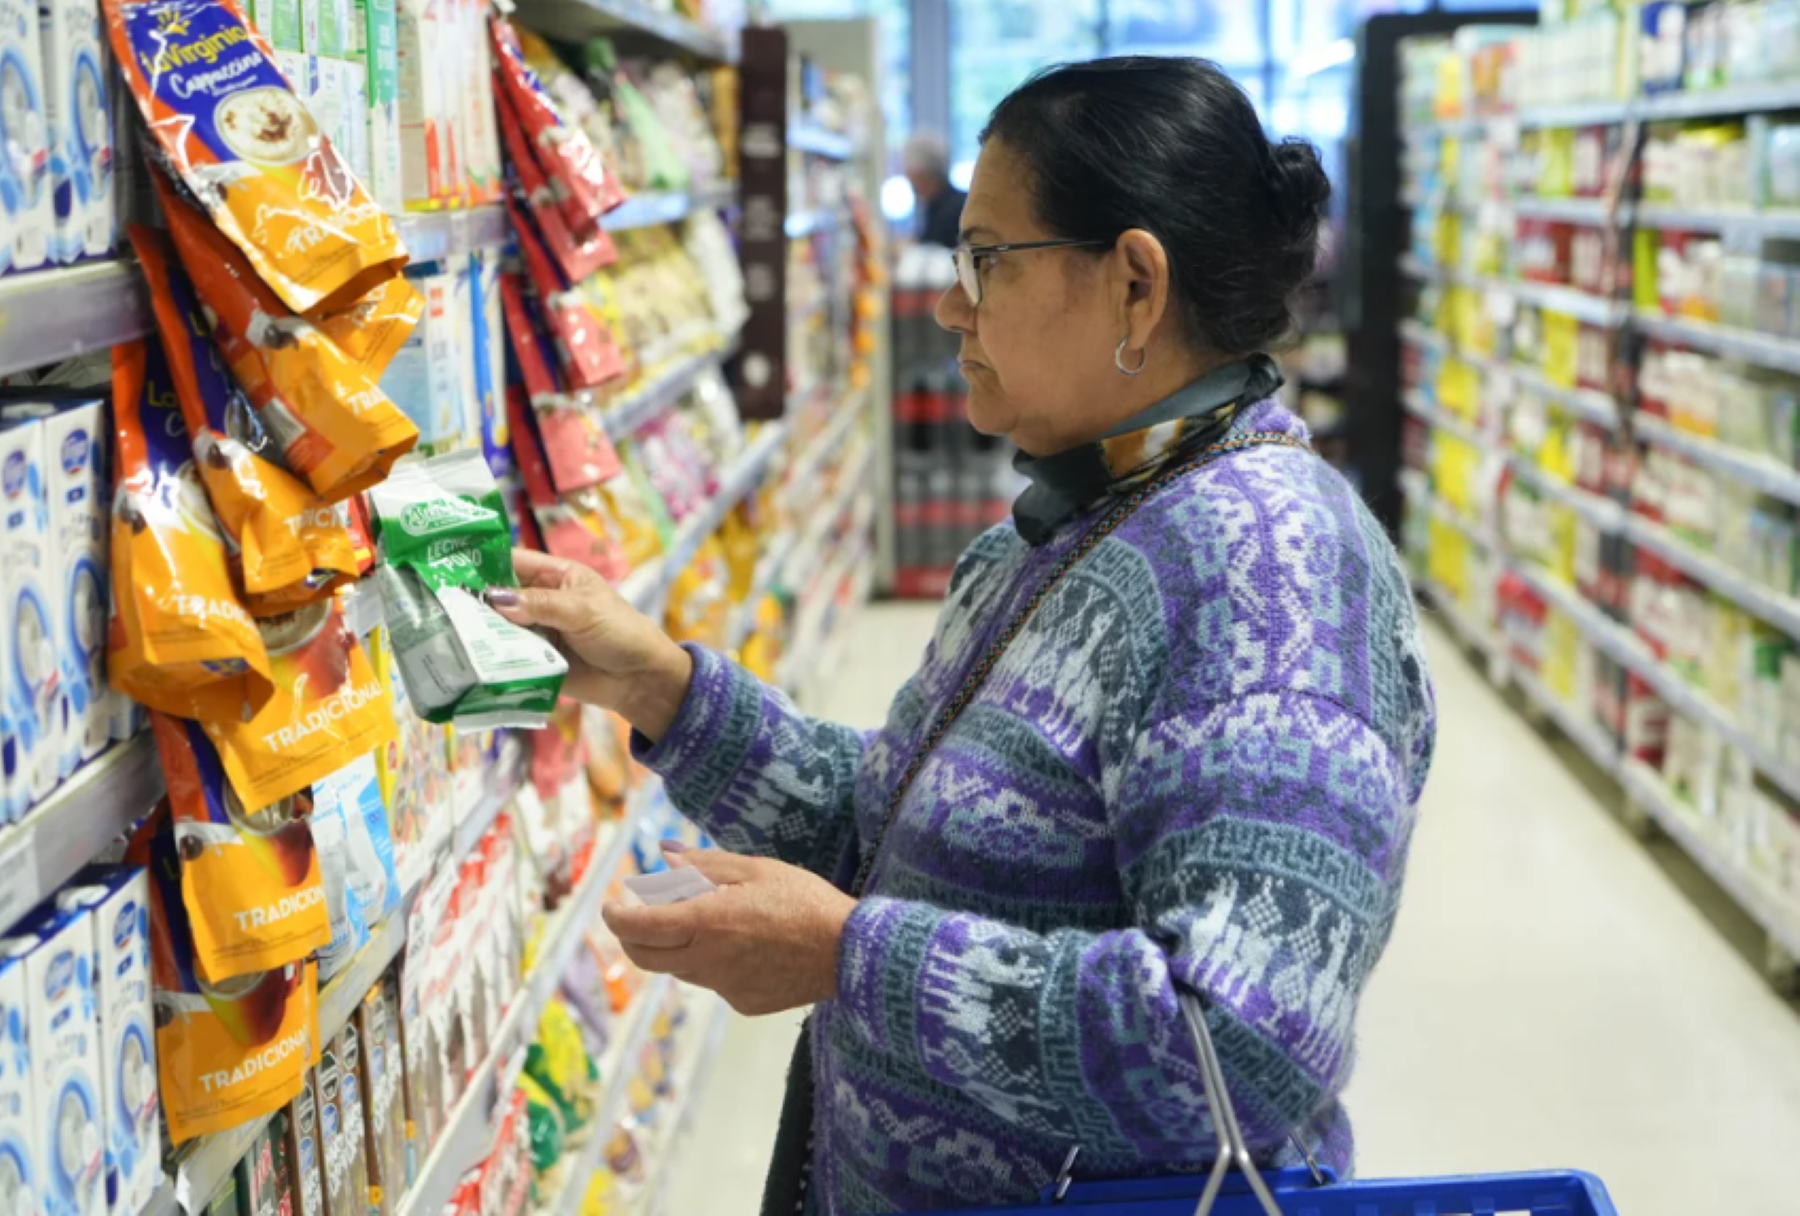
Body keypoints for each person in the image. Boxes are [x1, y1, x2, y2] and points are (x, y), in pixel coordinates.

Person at [490, 56, 1435, 1216]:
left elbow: (1238, 1049)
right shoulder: (1082, 514)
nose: (950, 303)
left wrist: (849, 958)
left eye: (986, 259)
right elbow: (912, 837)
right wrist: (668, 691)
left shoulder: (1274, 582)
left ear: (1136, 285)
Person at [904, 131, 967, 248]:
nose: (913, 189)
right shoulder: (933, 206)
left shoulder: (953, 211)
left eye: (913, 182)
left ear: (926, 176)